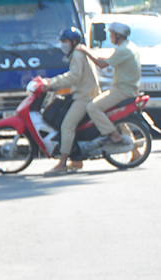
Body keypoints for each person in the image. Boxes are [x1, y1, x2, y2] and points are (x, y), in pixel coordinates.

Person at [41, 27, 100, 176]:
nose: (63, 44)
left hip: (84, 97)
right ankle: (77, 159)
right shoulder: (79, 52)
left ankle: (62, 163)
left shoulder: (77, 54)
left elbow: (74, 77)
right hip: (85, 93)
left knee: (66, 126)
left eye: (65, 41)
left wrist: (52, 83)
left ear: (73, 42)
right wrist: (53, 81)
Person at [77, 21, 141, 148]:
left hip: (122, 90)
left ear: (118, 35)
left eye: (111, 34)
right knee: (114, 116)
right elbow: (109, 58)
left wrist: (86, 51)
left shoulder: (123, 50)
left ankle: (113, 134)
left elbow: (101, 64)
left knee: (92, 107)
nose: (110, 37)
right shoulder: (130, 46)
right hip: (127, 88)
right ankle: (133, 149)